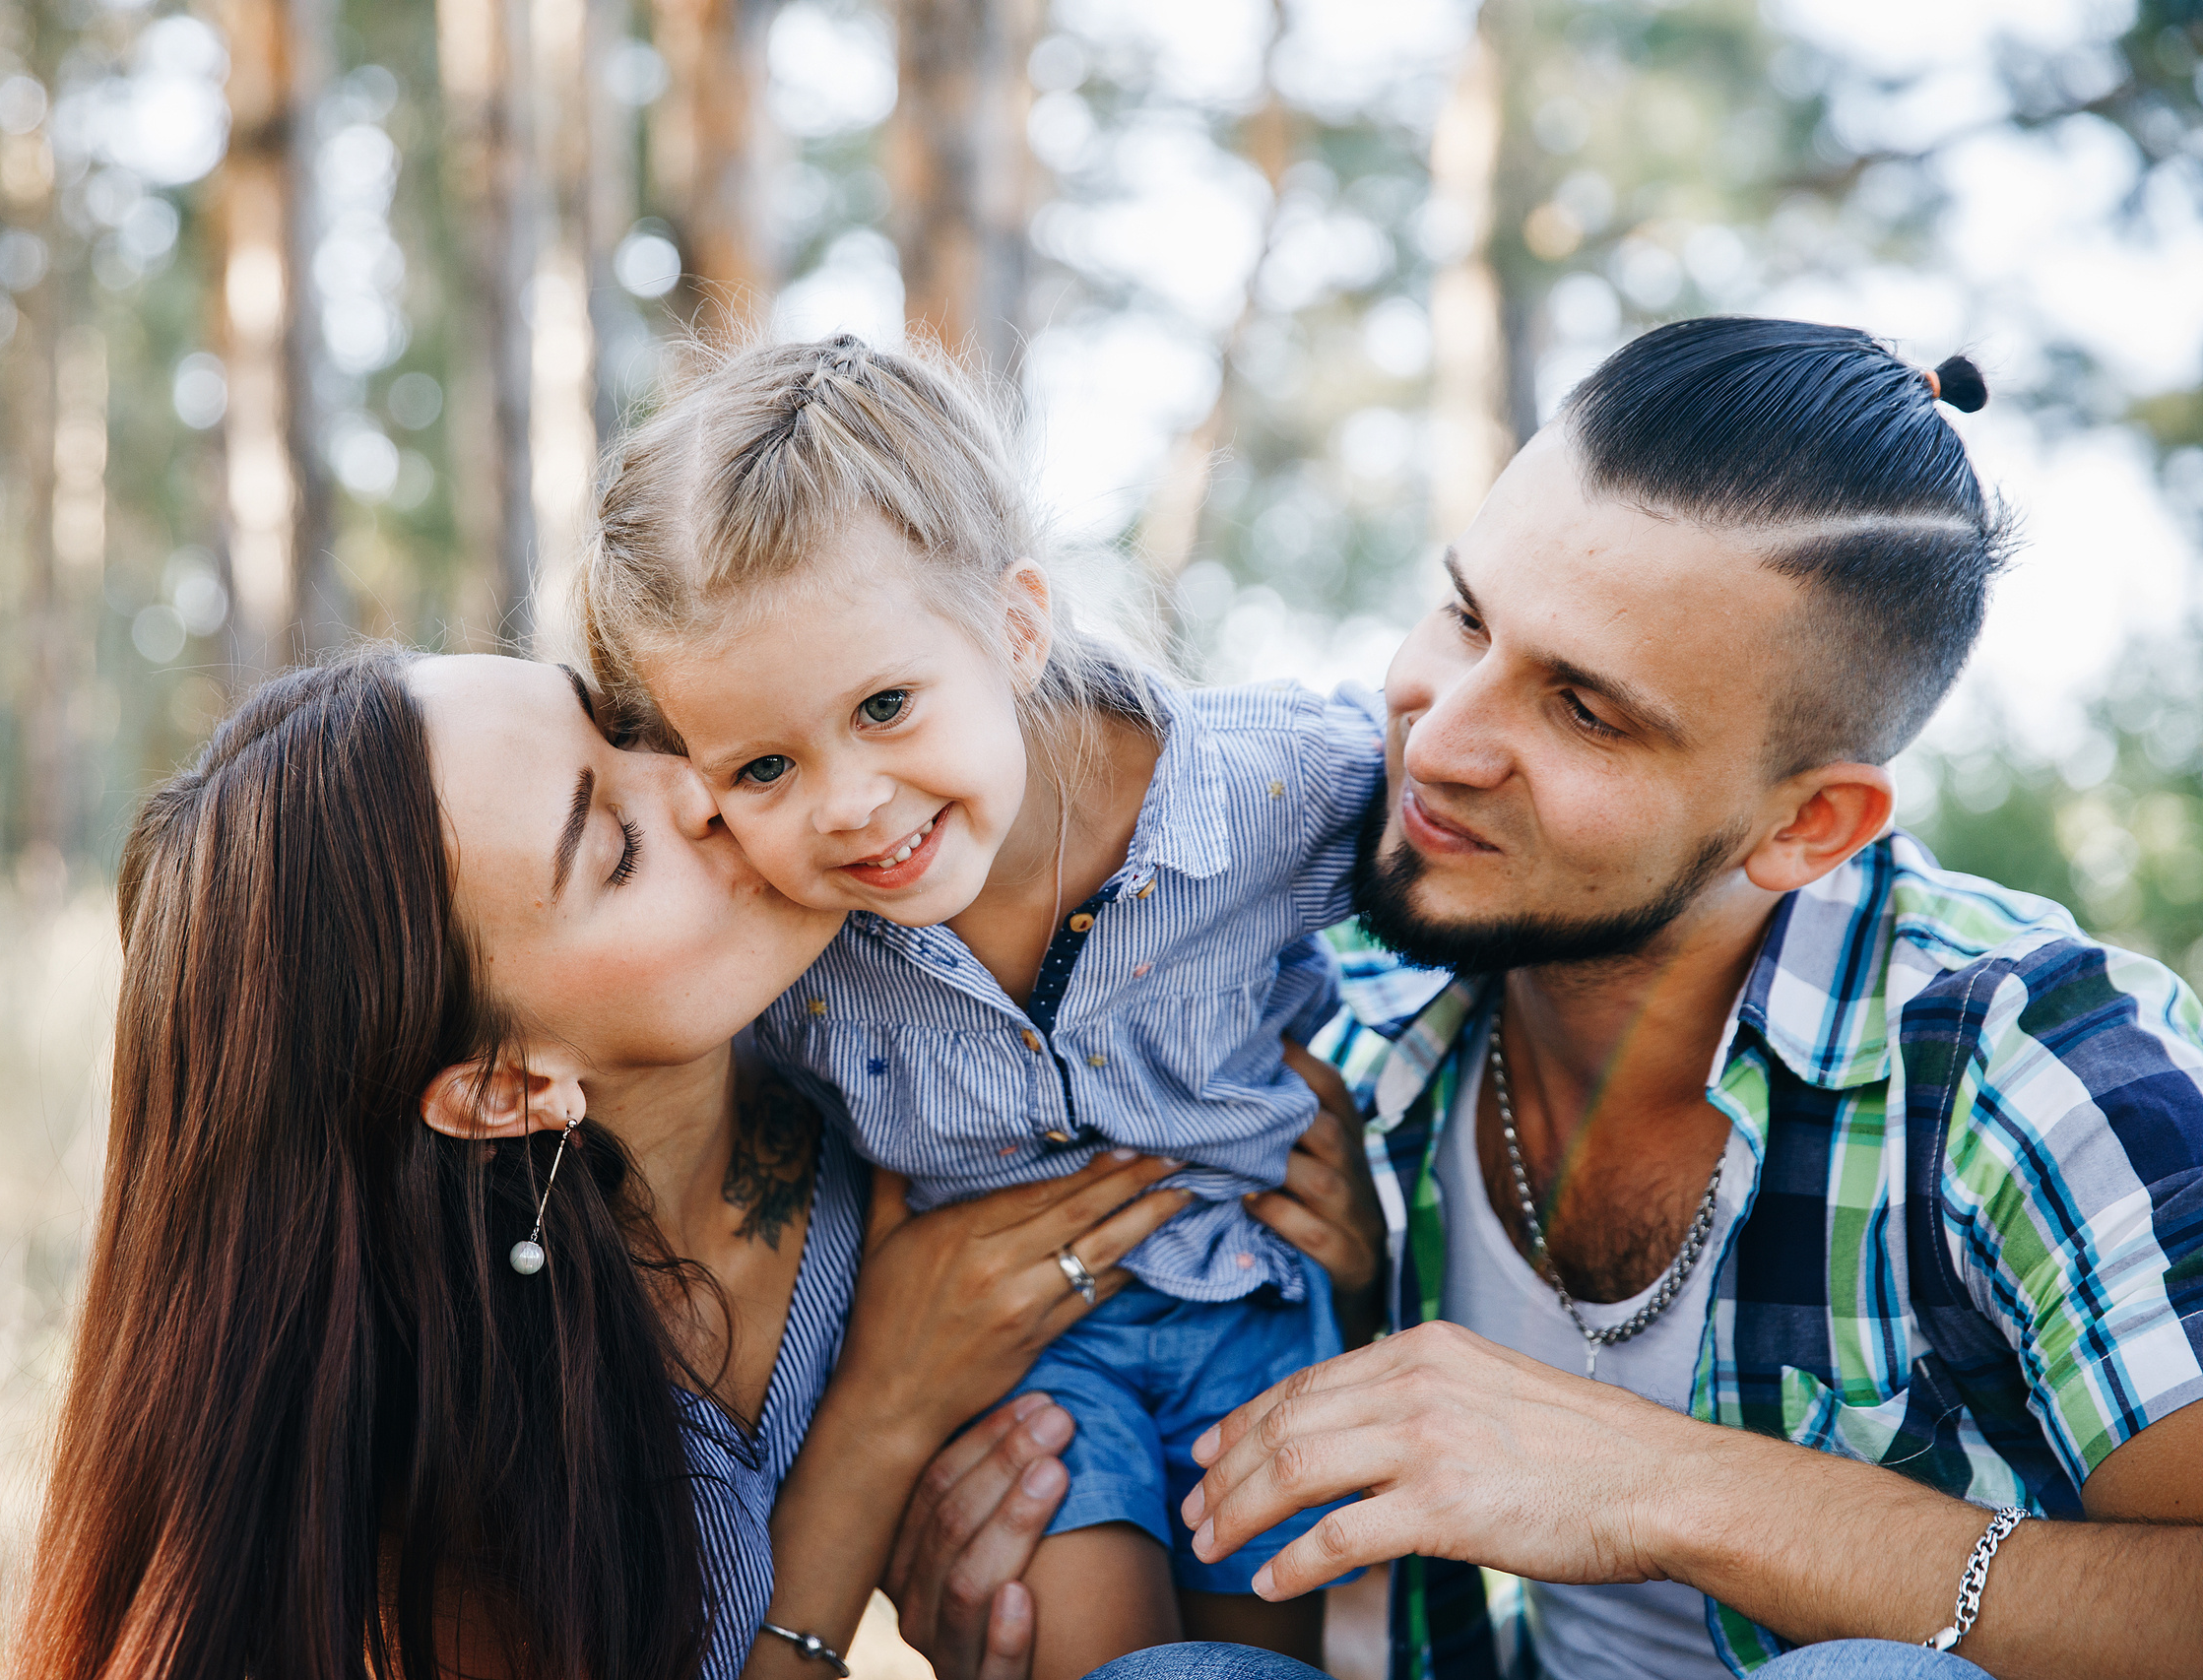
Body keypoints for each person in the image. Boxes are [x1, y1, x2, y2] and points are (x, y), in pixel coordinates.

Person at [890, 318, 2203, 1679]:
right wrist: (996, 1525)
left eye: (1583, 708)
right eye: (1464, 613)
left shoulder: (2026, 1058)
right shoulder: (1323, 1013)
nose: (1438, 737)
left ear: (1810, 823)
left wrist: (1660, 1485)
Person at [10, 646, 1380, 1680]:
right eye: (614, 842)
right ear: (504, 1086)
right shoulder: (454, 1418)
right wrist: (877, 1428)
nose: (702, 789)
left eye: (620, 726)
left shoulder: (898, 1060)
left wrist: (1337, 1243)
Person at [579, 335, 1381, 1678]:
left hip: (1256, 1310)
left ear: (1015, 625)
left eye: (886, 703)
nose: (848, 801)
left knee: (1263, 1662)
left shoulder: (1262, 791)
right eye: (766, 764)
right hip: (1026, 1370)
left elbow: (1472, 838)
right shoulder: (789, 935)